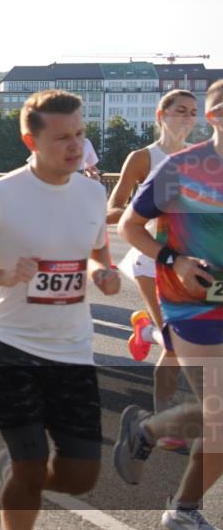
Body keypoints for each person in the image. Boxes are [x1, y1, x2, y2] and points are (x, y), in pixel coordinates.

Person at [0, 89, 120, 530]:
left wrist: (103, 272)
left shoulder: (92, 194)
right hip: (8, 344)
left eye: (80, 134)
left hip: (72, 348)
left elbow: (98, 251)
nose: (76, 146)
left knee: (81, 476)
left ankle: (13, 477)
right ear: (30, 141)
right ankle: (20, 480)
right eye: (62, 138)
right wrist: (1, 275)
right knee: (32, 465)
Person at [114, 80, 223, 530]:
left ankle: (182, 507)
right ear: (214, 118)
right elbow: (129, 225)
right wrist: (174, 260)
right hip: (193, 304)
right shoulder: (182, 167)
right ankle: (151, 434)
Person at [107, 89, 197, 452]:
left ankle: (146, 330)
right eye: (180, 110)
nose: (188, 118)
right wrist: (141, 213)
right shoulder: (143, 158)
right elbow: (114, 208)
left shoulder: (200, 159)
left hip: (190, 262)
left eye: (193, 112)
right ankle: (162, 420)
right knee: (175, 342)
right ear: (161, 115)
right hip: (150, 258)